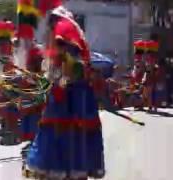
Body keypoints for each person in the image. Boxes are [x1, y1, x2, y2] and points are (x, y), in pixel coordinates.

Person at [25, 6, 105, 179]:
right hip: (78, 97)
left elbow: (65, 72)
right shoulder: (74, 48)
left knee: (63, 132)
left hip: (69, 96)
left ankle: (63, 171)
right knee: (73, 135)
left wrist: (57, 81)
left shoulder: (66, 43)